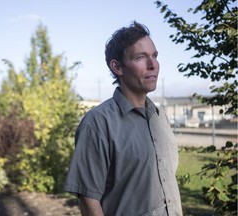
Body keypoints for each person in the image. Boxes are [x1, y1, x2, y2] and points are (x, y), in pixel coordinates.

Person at [64, 21, 183, 216]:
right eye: (141, 57)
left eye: (154, 56)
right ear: (117, 67)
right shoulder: (98, 123)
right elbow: (89, 202)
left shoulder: (160, 118)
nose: (153, 65)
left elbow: (170, 188)